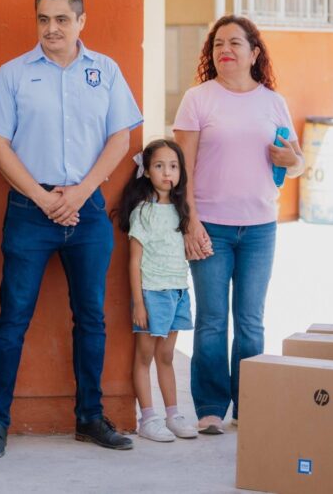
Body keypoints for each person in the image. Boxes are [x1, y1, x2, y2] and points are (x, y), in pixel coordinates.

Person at [0, 0, 143, 457]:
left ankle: (90, 418)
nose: (52, 29)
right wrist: (42, 198)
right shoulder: (13, 74)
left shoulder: (105, 71)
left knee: (91, 318)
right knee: (13, 319)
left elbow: (120, 138)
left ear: (81, 21)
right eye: (43, 19)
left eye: (62, 19)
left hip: (87, 212)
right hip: (30, 212)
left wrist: (81, 193)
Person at [173, 14, 303, 435]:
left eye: (234, 43)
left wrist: (293, 161)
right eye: (217, 44)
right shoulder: (198, 99)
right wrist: (190, 223)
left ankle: (249, 404)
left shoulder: (273, 102)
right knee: (212, 319)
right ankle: (211, 406)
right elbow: (182, 170)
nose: (224, 50)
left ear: (254, 53)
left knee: (250, 321)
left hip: (260, 228)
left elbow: (296, 162)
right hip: (210, 226)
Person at [111, 139, 198, 442]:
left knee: (167, 355)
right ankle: (148, 418)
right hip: (151, 293)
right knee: (145, 356)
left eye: (173, 166)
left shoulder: (181, 210)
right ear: (146, 171)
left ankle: (173, 415)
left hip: (178, 292)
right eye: (159, 166)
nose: (167, 172)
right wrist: (139, 303)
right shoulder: (143, 212)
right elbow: (134, 261)